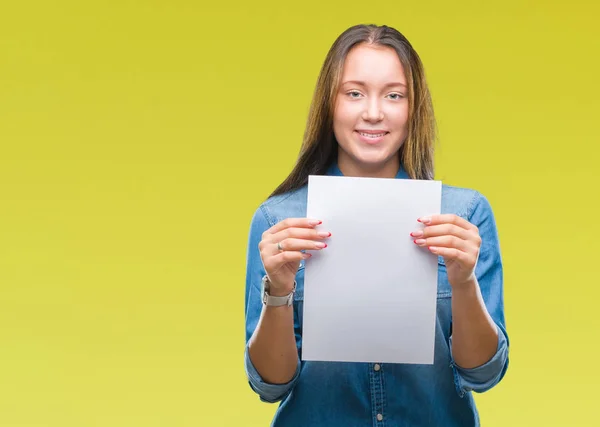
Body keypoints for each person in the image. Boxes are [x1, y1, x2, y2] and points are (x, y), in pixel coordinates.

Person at [243, 24, 509, 426]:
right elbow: (271, 385)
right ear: (329, 104)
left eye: (394, 95)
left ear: (412, 107)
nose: (372, 112)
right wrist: (278, 291)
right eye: (354, 93)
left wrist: (463, 282)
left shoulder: (463, 215)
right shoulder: (279, 221)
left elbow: (483, 374)